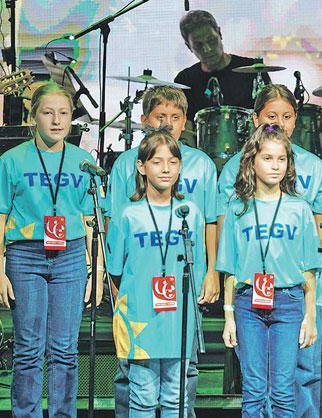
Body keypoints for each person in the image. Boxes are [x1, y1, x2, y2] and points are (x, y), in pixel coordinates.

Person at [0, 82, 103, 416]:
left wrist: (97, 271)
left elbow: (91, 220)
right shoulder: (12, 160)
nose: (57, 120)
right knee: (29, 349)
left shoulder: (83, 162)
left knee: (65, 349)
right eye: (48, 113)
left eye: (63, 113)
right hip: (26, 257)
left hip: (70, 257)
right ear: (33, 116)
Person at [216, 83, 322, 417]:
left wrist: (311, 313)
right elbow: (230, 264)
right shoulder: (238, 206)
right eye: (267, 158)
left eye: (281, 159)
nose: (275, 165)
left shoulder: (299, 205)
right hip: (248, 300)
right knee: (254, 389)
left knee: (288, 386)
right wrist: (228, 315)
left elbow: (311, 263)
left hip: (289, 298)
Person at [107, 85, 219, 418]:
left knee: (179, 385)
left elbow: (209, 226)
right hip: (140, 304)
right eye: (160, 116)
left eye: (175, 117)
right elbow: (116, 257)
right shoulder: (128, 203)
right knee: (138, 385)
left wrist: (211, 273)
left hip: (180, 303)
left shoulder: (193, 203)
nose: (167, 123)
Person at [174, 10, 271, 122]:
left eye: (211, 40)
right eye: (198, 45)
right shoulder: (185, 81)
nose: (207, 49)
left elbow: (272, 120)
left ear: (219, 33)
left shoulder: (254, 70)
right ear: (189, 47)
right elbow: (183, 126)